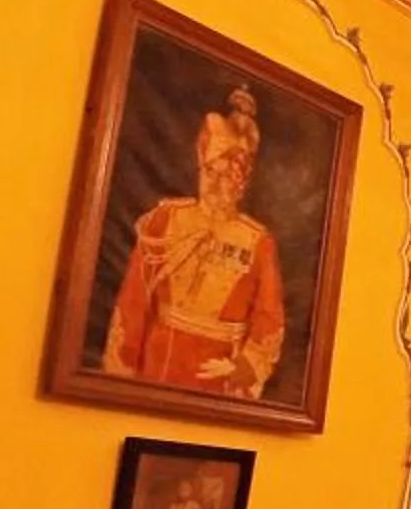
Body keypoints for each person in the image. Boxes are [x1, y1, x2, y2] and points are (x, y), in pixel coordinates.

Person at [103, 85, 287, 397]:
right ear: (201, 167)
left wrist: (242, 367)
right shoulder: (166, 219)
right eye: (212, 173)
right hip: (156, 364)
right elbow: (134, 300)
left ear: (242, 183)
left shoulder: (258, 241)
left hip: (217, 376)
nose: (218, 183)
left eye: (229, 176)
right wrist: (121, 376)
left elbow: (269, 319)